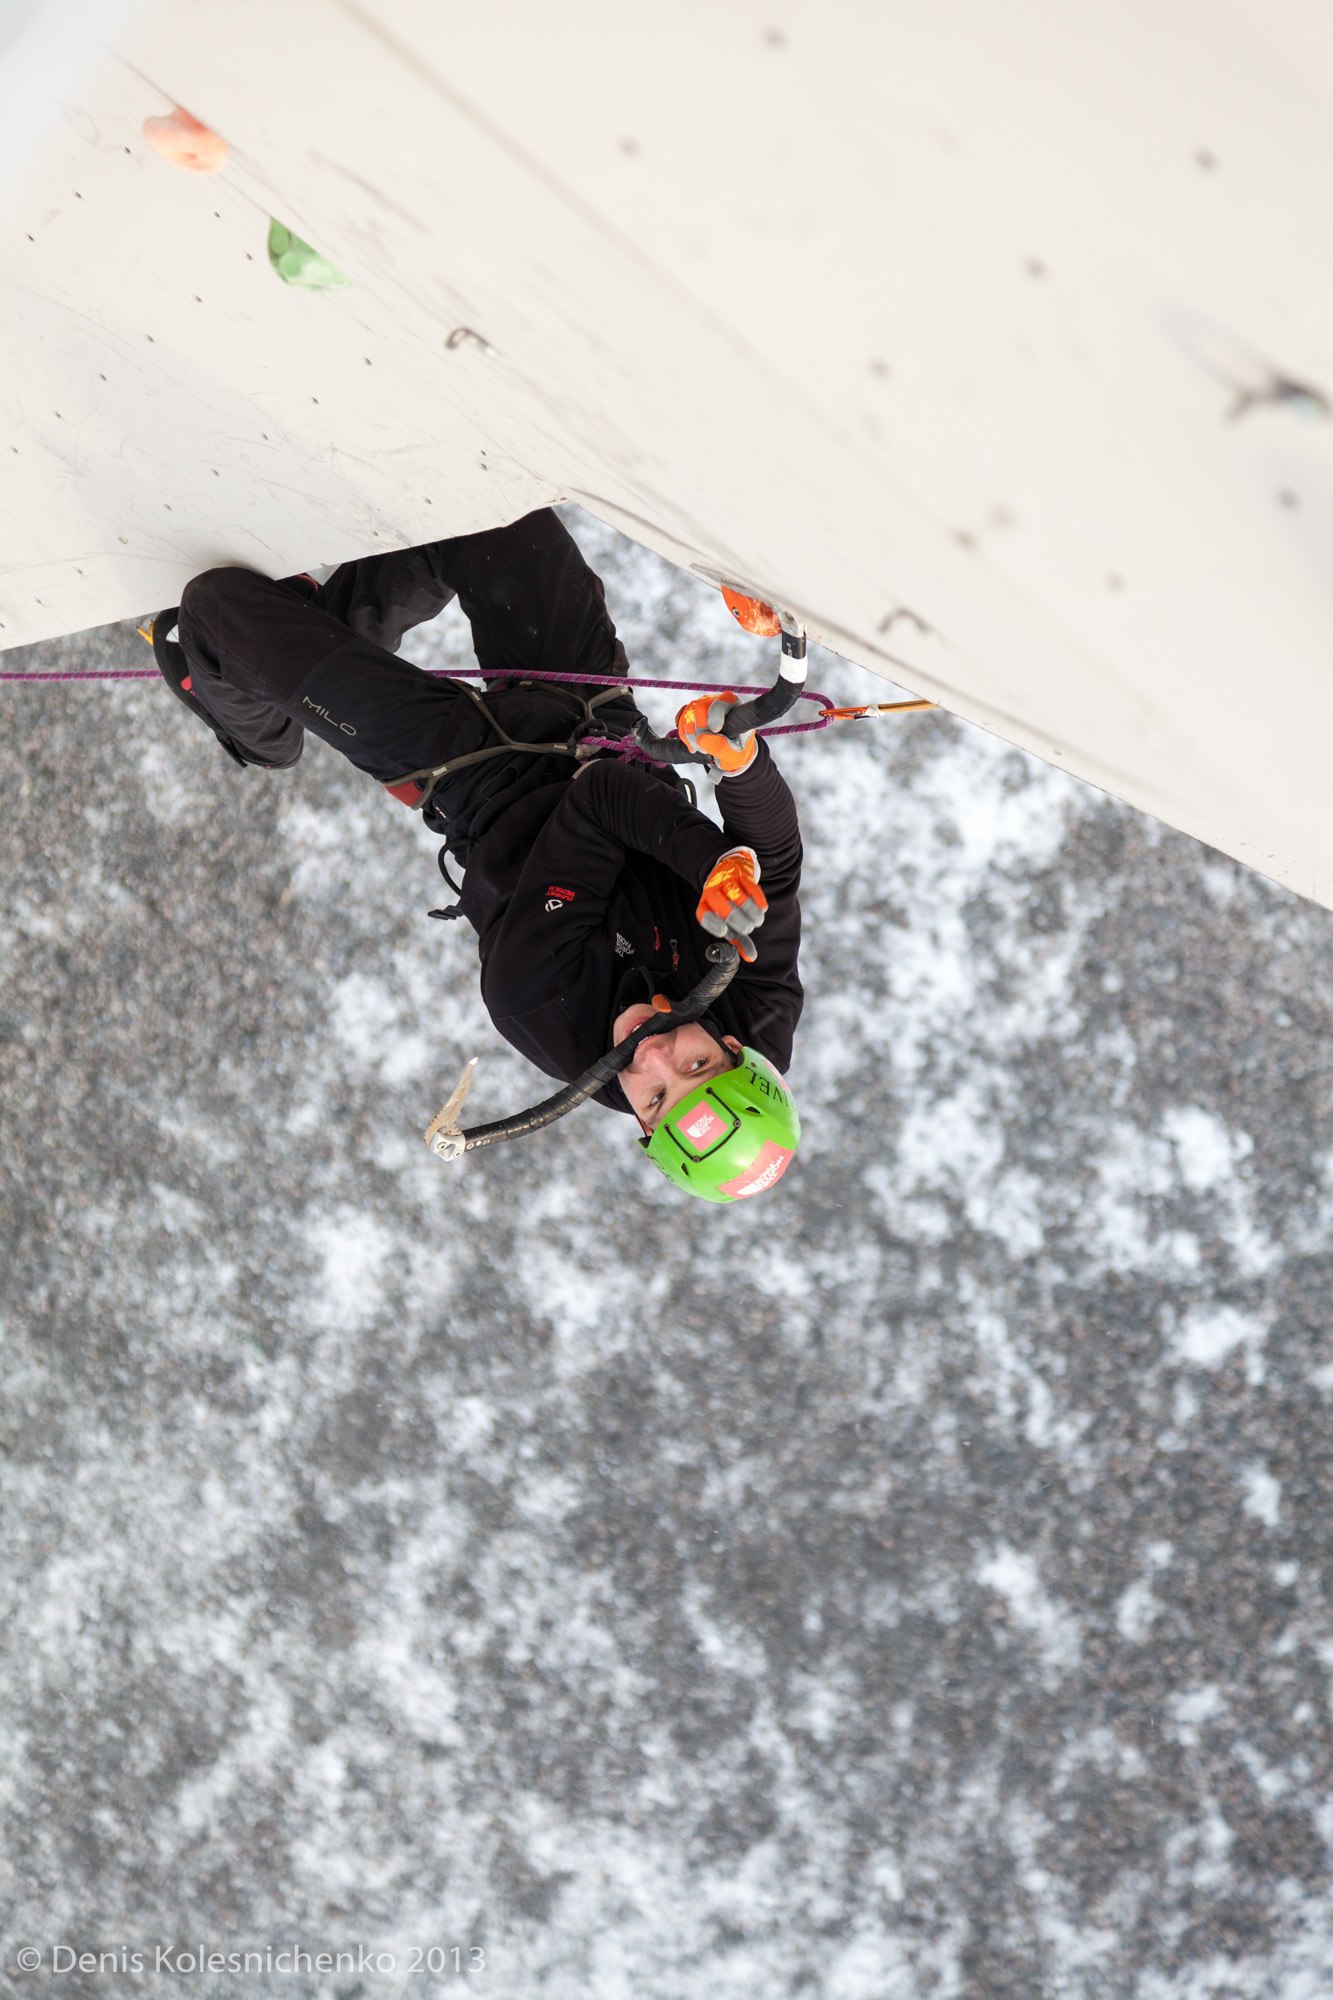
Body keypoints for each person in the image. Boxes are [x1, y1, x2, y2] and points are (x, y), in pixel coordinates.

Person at [157, 509, 803, 1199]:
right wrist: (743, 770)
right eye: (697, 1065)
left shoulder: (540, 1005)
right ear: (735, 1050)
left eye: (652, 1099)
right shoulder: (754, 1007)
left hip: (467, 769)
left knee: (217, 610)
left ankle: (263, 728)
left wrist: (710, 864)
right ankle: (322, 642)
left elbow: (599, 802)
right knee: (494, 514)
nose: (653, 1057)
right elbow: (777, 863)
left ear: (642, 1127)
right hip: (592, 717)